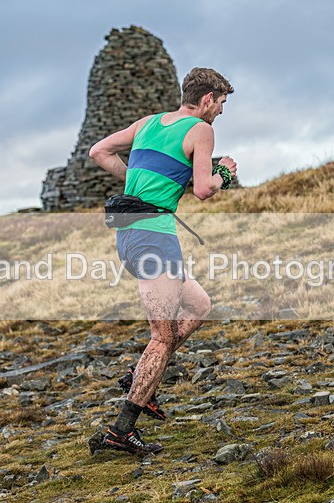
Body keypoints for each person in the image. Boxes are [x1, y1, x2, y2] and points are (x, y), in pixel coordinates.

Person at [89, 67, 236, 455]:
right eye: (220, 104)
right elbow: (204, 189)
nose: (220, 112)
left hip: (130, 236)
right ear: (207, 99)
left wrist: (136, 183)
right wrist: (224, 174)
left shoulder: (148, 123)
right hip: (155, 238)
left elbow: (98, 151)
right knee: (162, 336)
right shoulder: (201, 130)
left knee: (200, 305)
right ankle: (121, 430)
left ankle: (140, 379)